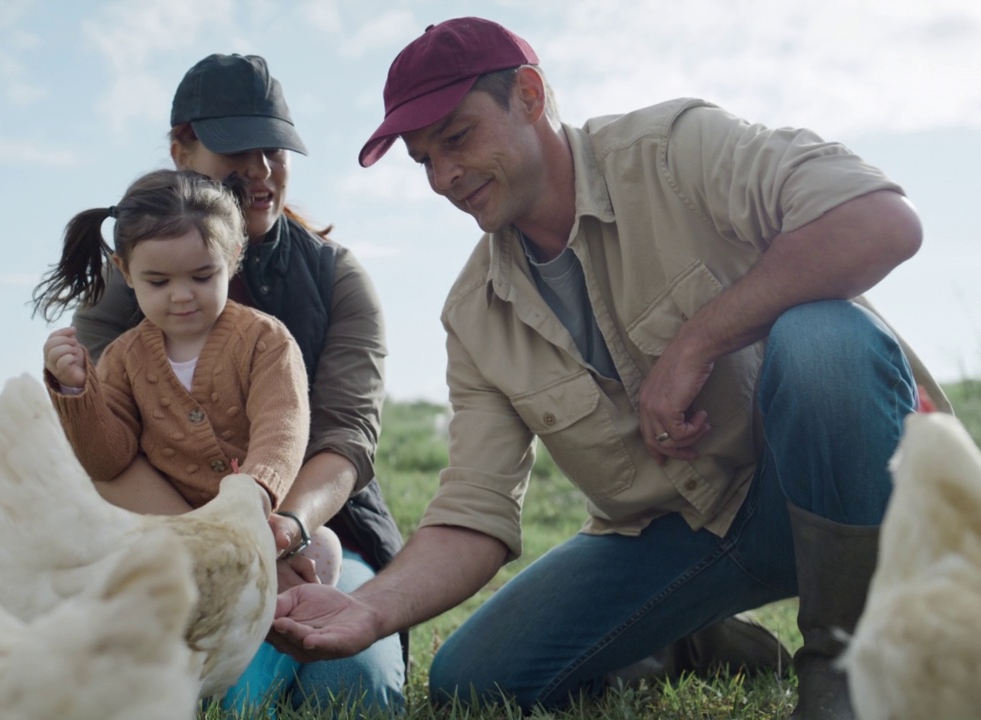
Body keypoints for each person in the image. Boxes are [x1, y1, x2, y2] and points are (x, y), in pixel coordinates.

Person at [271, 16, 950, 720]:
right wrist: (367, 610)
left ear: (530, 96)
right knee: (472, 679)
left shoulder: (675, 149)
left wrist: (696, 343)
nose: (444, 177)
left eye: (457, 137)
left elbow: (881, 221)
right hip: (685, 534)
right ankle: (685, 636)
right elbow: (475, 509)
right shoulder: (474, 314)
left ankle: (853, 673)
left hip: (838, 490)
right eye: (424, 160)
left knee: (826, 340)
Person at [67, 54, 407, 714]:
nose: (258, 170)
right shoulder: (126, 287)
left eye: (272, 149)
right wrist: (231, 556)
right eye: (234, 147)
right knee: (211, 692)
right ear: (180, 149)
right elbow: (107, 454)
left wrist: (282, 533)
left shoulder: (337, 277)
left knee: (355, 687)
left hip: (319, 535)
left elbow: (347, 441)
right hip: (170, 544)